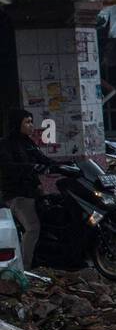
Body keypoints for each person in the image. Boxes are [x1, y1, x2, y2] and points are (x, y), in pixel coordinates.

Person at [0, 109, 56, 270]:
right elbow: (8, 166)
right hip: (17, 194)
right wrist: (31, 167)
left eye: (31, 121)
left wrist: (65, 165)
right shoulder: (5, 144)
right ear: (17, 124)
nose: (31, 126)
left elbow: (43, 159)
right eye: (27, 122)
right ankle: (24, 267)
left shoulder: (28, 143)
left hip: (32, 191)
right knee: (33, 228)